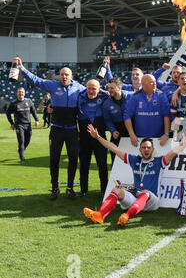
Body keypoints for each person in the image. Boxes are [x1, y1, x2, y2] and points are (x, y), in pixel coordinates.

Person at [83, 126, 186, 226]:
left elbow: (173, 152)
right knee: (116, 190)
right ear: (140, 150)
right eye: (144, 148)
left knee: (145, 192)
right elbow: (113, 148)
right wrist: (98, 137)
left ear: (153, 149)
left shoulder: (159, 162)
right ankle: (100, 215)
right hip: (136, 198)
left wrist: (185, 143)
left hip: (152, 201)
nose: (146, 150)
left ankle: (126, 217)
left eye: (148, 148)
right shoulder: (134, 160)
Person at [14, 56, 85, 200]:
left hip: (72, 129)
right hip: (57, 129)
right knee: (54, 159)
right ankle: (55, 188)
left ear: (72, 76)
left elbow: (93, 90)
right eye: (62, 74)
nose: (64, 76)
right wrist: (22, 68)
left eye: (67, 74)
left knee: (73, 158)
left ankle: (70, 188)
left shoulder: (79, 87)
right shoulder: (52, 85)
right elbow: (36, 80)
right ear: (59, 76)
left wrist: (107, 92)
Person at [77, 79, 109, 196]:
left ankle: (104, 190)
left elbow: (114, 90)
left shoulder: (105, 97)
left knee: (102, 165)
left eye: (94, 89)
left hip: (100, 139)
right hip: (84, 139)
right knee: (84, 165)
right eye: (89, 88)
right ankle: (83, 190)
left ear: (99, 89)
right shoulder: (79, 97)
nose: (91, 91)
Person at [124, 74, 170, 148]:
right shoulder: (135, 97)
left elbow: (166, 115)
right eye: (151, 82)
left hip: (159, 139)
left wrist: (166, 134)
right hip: (140, 139)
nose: (155, 83)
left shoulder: (161, 96)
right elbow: (127, 116)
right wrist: (132, 134)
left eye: (155, 81)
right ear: (143, 84)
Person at [102, 77, 133, 164]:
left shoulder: (131, 96)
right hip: (117, 134)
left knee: (133, 159)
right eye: (108, 88)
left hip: (132, 132)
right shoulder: (106, 104)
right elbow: (107, 120)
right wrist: (113, 130)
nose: (109, 90)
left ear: (119, 87)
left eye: (112, 88)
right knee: (116, 161)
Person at [6, 87, 39, 164]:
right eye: (19, 92)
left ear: (24, 93)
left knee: (28, 140)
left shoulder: (29, 101)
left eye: (22, 92)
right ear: (17, 93)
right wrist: (12, 123)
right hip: (19, 125)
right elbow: (8, 113)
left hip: (28, 124)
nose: (21, 94)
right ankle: (22, 158)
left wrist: (36, 120)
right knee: (21, 141)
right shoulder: (13, 103)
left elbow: (33, 110)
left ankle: (20, 150)